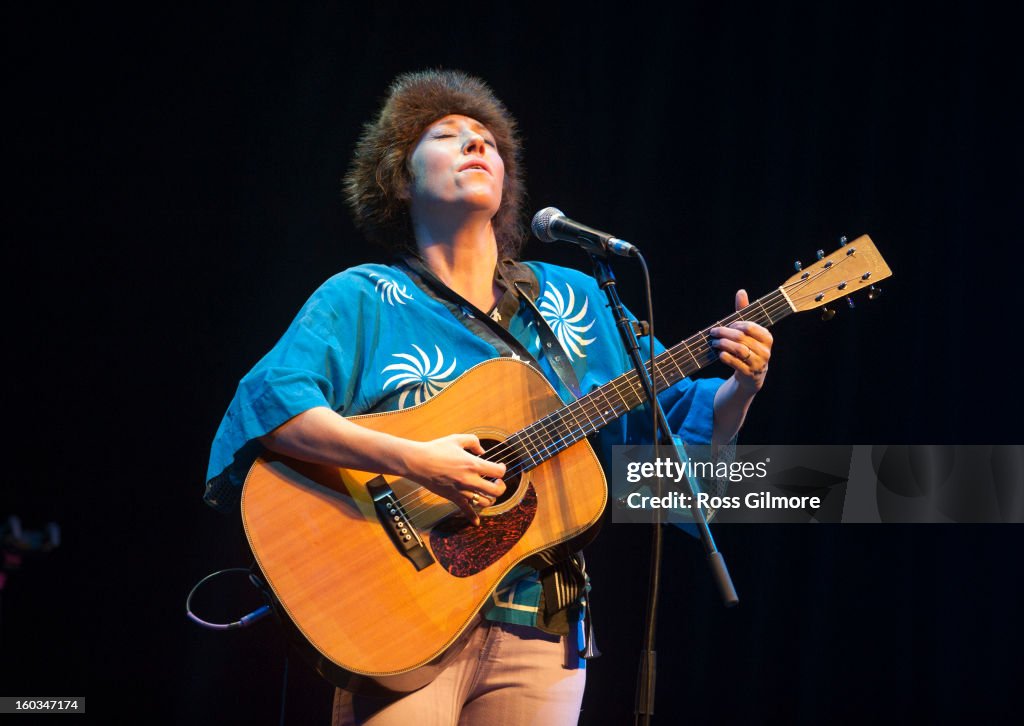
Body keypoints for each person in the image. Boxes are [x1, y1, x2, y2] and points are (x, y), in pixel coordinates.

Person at [204, 69, 773, 725]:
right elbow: (274, 407)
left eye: (488, 141)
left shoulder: (576, 300)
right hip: (396, 618)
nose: (477, 146)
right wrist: (415, 461)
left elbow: (669, 445)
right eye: (448, 136)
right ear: (399, 176)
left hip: (544, 625)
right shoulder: (359, 298)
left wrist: (739, 388)